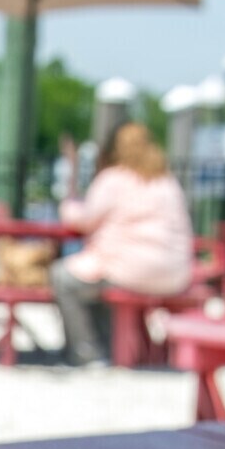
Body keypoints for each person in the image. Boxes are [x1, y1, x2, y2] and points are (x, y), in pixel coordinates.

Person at [52, 122, 194, 368]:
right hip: (174, 274)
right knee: (95, 280)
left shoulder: (113, 178)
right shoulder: (167, 181)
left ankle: (88, 352)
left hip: (129, 270)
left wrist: (69, 197)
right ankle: (120, 346)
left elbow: (82, 219)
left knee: (64, 277)